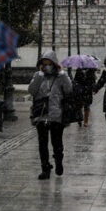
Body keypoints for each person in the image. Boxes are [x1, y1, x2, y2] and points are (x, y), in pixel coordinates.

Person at [28, 50, 73, 179]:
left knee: (57, 143)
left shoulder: (60, 77)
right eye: (44, 63)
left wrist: (62, 73)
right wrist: (40, 75)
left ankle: (58, 161)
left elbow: (69, 89)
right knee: (42, 144)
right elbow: (31, 90)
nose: (47, 66)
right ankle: (45, 167)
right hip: (41, 114)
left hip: (56, 114)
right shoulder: (38, 76)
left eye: (49, 63)